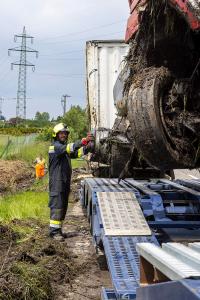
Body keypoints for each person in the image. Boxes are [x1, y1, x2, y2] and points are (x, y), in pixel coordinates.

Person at [48, 123, 94, 241]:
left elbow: (75, 153)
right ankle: (54, 233)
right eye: (61, 133)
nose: (64, 135)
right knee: (57, 206)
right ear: (56, 134)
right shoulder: (55, 147)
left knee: (63, 205)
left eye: (65, 133)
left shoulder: (63, 149)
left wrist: (88, 147)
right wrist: (83, 141)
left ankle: (59, 230)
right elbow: (69, 148)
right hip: (57, 182)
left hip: (64, 181)